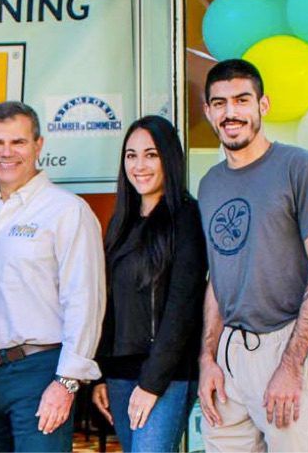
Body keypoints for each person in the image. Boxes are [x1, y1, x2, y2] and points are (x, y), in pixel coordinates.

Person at [197, 59, 308, 452]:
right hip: (229, 354)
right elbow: (218, 278)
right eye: (220, 103)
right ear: (208, 111)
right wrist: (208, 359)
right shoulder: (210, 184)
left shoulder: (302, 168)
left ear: (264, 105)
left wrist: (291, 366)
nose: (231, 112)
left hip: (284, 344)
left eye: (242, 100)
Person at [0, 101, 106, 452]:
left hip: (41, 370)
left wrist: (67, 382)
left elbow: (85, 300)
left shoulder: (66, 211)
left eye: (18, 142)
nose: (6, 152)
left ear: (38, 145)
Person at [91, 115, 208, 452]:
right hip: (120, 374)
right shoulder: (122, 222)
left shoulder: (186, 218)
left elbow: (181, 309)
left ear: (169, 159)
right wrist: (101, 373)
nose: (139, 165)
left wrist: (152, 383)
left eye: (151, 154)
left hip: (165, 375)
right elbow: (111, 306)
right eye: (131, 155)